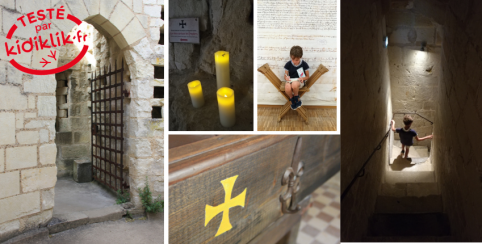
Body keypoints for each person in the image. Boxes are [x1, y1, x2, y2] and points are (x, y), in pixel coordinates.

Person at [284, 46, 310, 110]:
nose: (294, 62)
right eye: (292, 59)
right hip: (290, 80)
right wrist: (286, 78)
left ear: (300, 57)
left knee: (294, 84)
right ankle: (292, 99)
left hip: (299, 81)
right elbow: (285, 75)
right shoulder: (288, 64)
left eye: (296, 60)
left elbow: (307, 76)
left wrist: (303, 79)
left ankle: (296, 97)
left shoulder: (304, 64)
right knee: (287, 87)